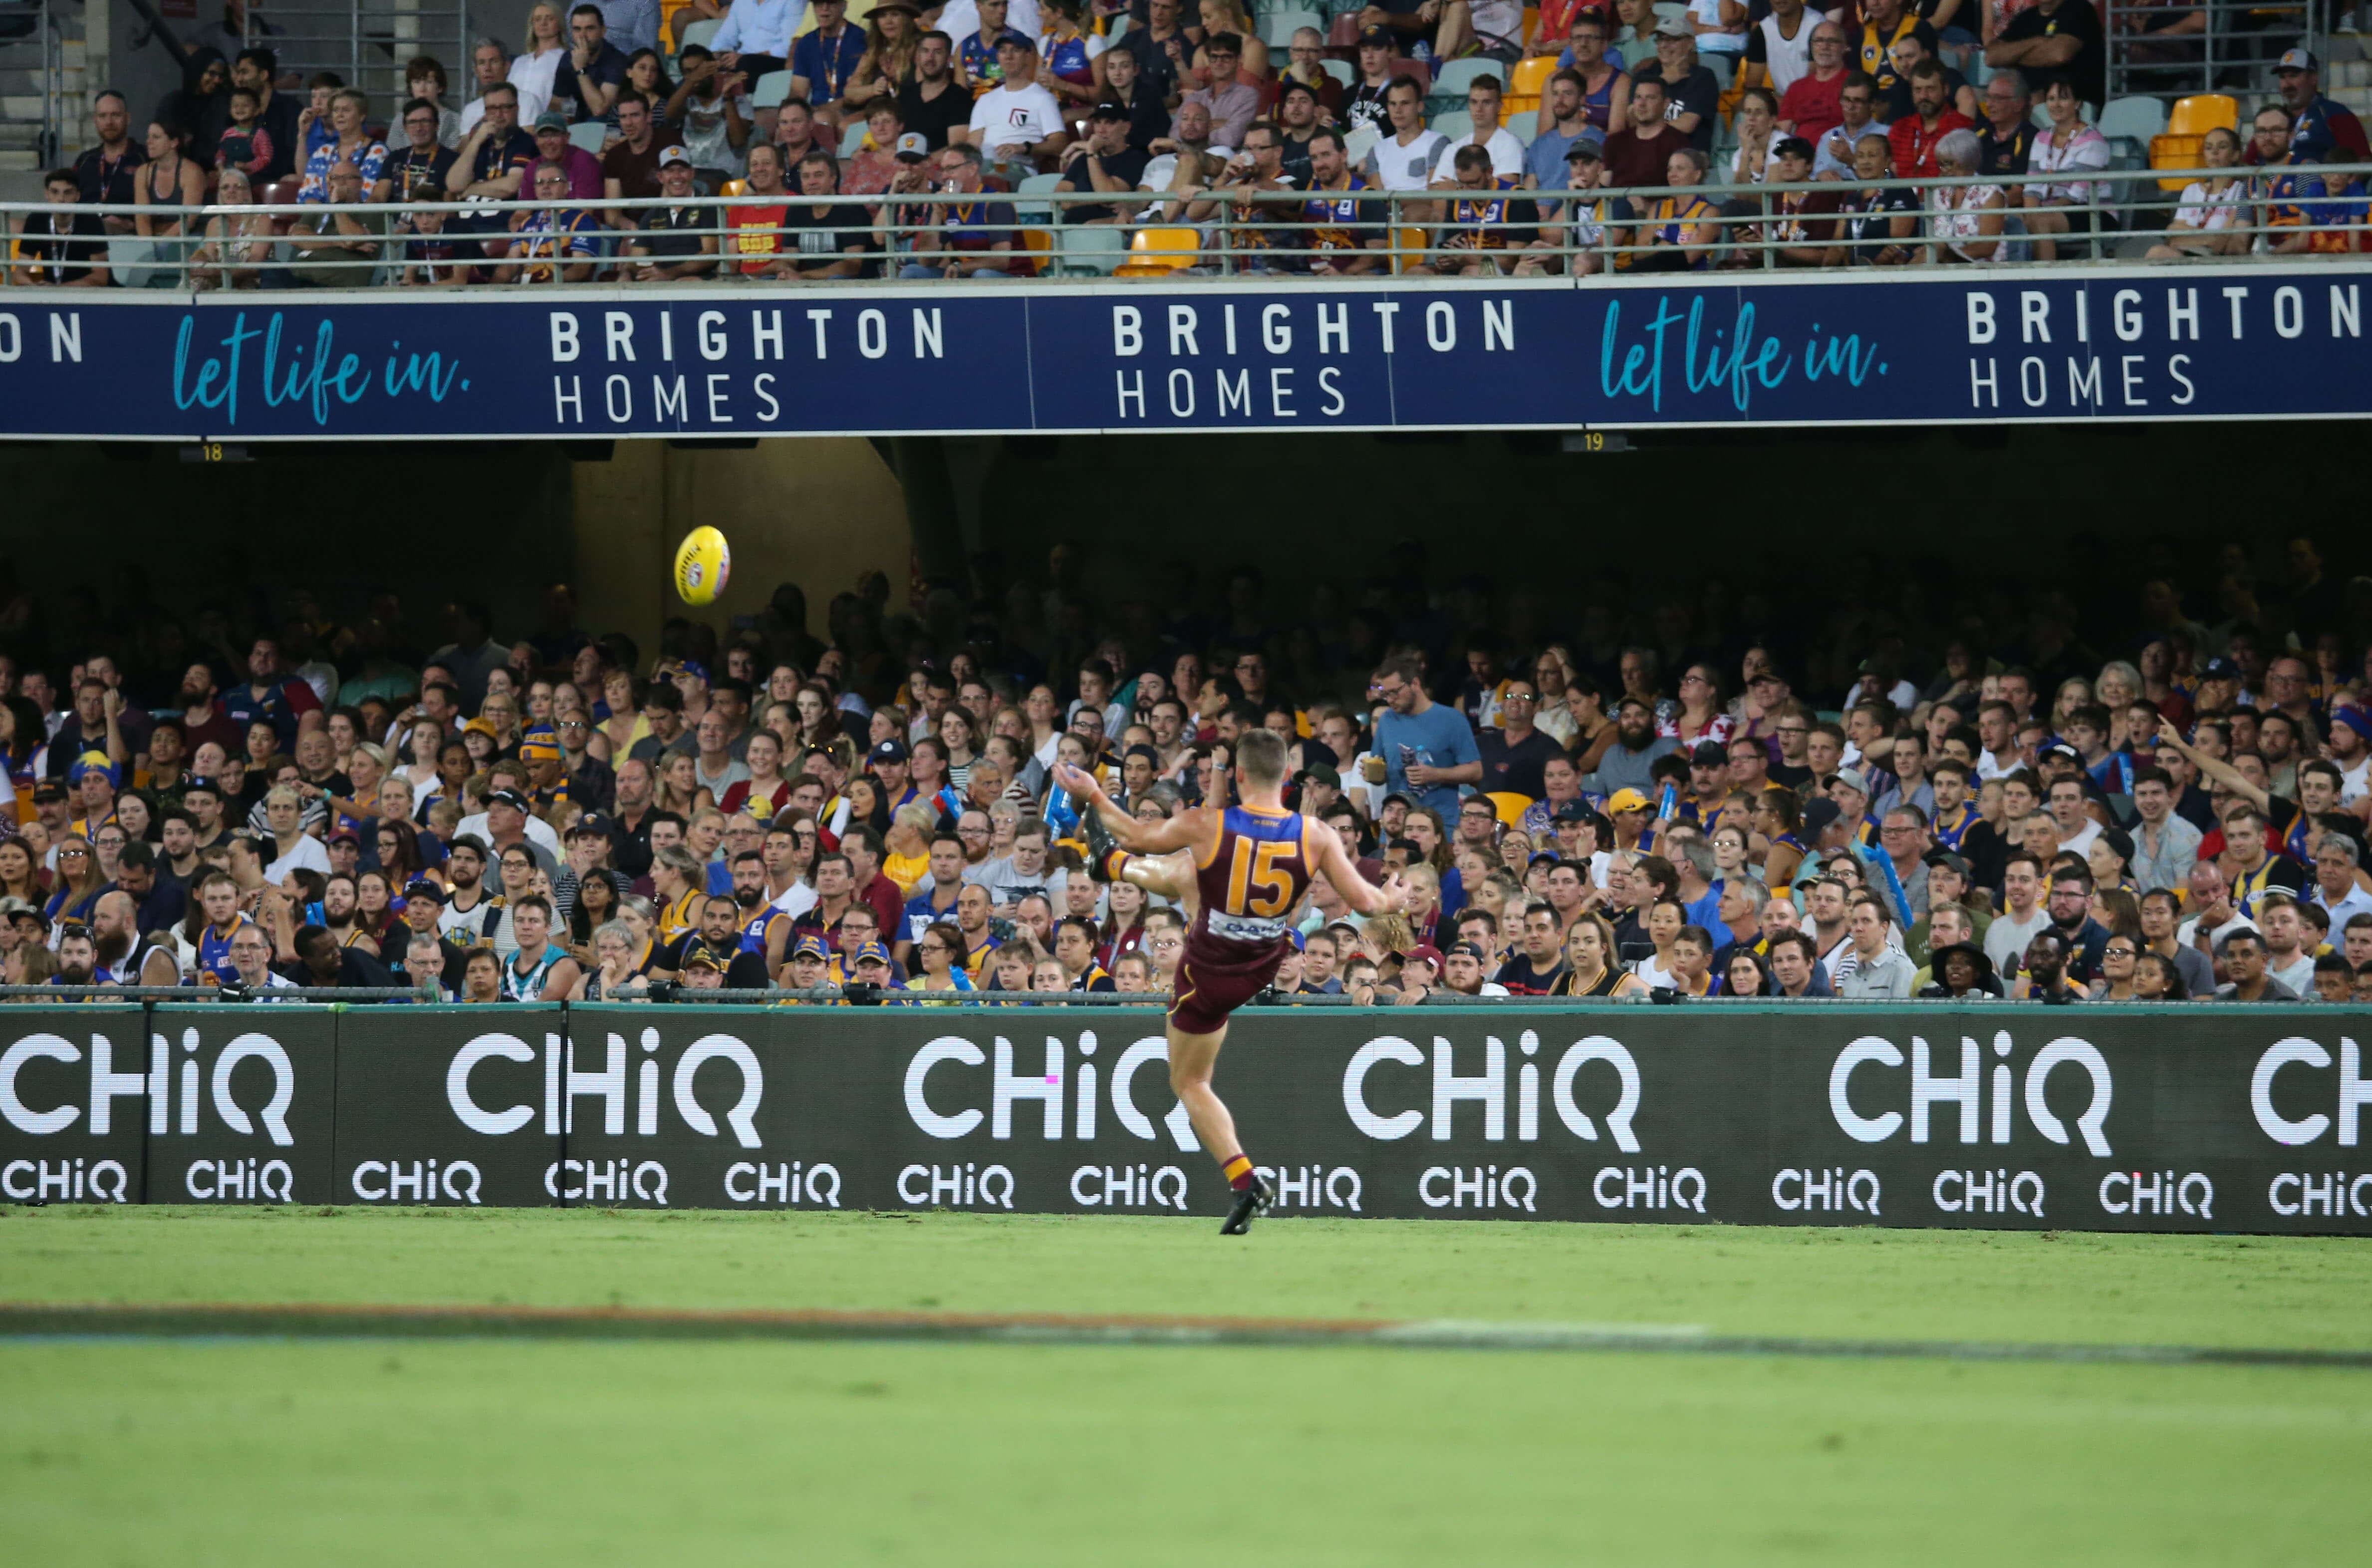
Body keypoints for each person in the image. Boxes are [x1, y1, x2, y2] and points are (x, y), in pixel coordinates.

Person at [1055, 728, 1401, 1235]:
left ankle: (1245, 1180)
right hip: (1265, 964)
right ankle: (1112, 865)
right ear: (1286, 776)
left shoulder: (1206, 824)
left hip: (1210, 970)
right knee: (1188, 875)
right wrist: (1394, 895)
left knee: (1188, 1080)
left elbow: (1136, 831)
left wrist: (1094, 795)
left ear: (1236, 775)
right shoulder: (1316, 833)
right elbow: (1369, 904)